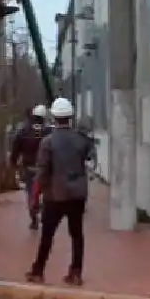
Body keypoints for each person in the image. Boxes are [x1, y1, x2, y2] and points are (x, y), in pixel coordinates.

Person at [26, 97, 92, 286]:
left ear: (54, 117)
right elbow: (89, 158)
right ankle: (76, 272)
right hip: (78, 194)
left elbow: (42, 172)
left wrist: (35, 196)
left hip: (55, 195)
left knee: (47, 234)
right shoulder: (81, 139)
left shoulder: (48, 142)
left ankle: (38, 271)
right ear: (70, 117)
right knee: (77, 234)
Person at [10, 104, 47, 230]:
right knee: (47, 191)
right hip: (45, 167)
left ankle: (34, 218)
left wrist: (13, 162)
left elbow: (16, 147)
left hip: (29, 166)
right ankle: (45, 213)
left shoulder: (24, 131)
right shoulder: (47, 130)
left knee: (31, 192)